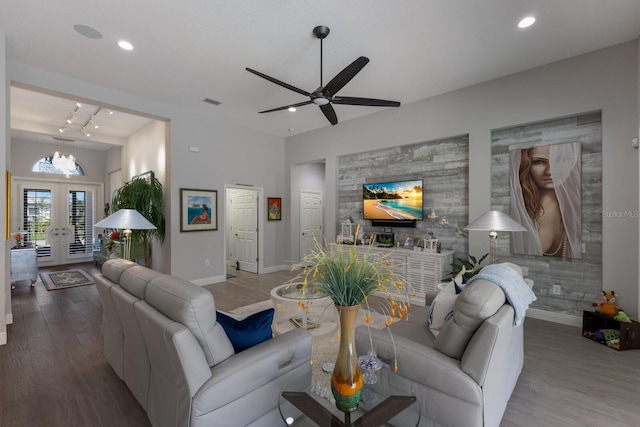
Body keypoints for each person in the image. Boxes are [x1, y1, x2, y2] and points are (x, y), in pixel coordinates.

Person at [510, 142, 581, 258]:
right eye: (539, 162)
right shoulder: (527, 211)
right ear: (525, 165)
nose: (550, 171)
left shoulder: (574, 207)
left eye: (559, 160)